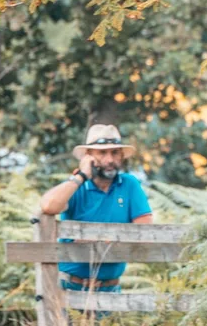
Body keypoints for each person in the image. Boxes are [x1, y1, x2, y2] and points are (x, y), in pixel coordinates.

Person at [39, 124, 153, 292]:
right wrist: (81, 176)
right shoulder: (75, 186)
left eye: (115, 153)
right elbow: (48, 206)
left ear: (121, 156)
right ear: (89, 156)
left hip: (111, 289)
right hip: (70, 288)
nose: (109, 160)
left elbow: (145, 232)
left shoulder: (130, 185)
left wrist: (93, 240)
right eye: (102, 153)